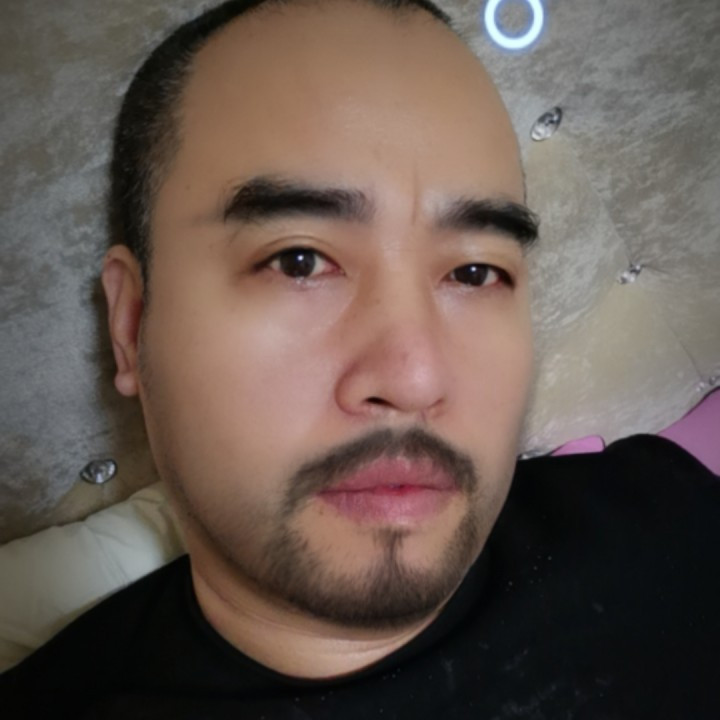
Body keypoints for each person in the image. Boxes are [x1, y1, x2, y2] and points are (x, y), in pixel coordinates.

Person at [2, 0, 718, 716]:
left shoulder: (668, 523)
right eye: (299, 261)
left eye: (474, 272)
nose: (414, 378)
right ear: (131, 325)